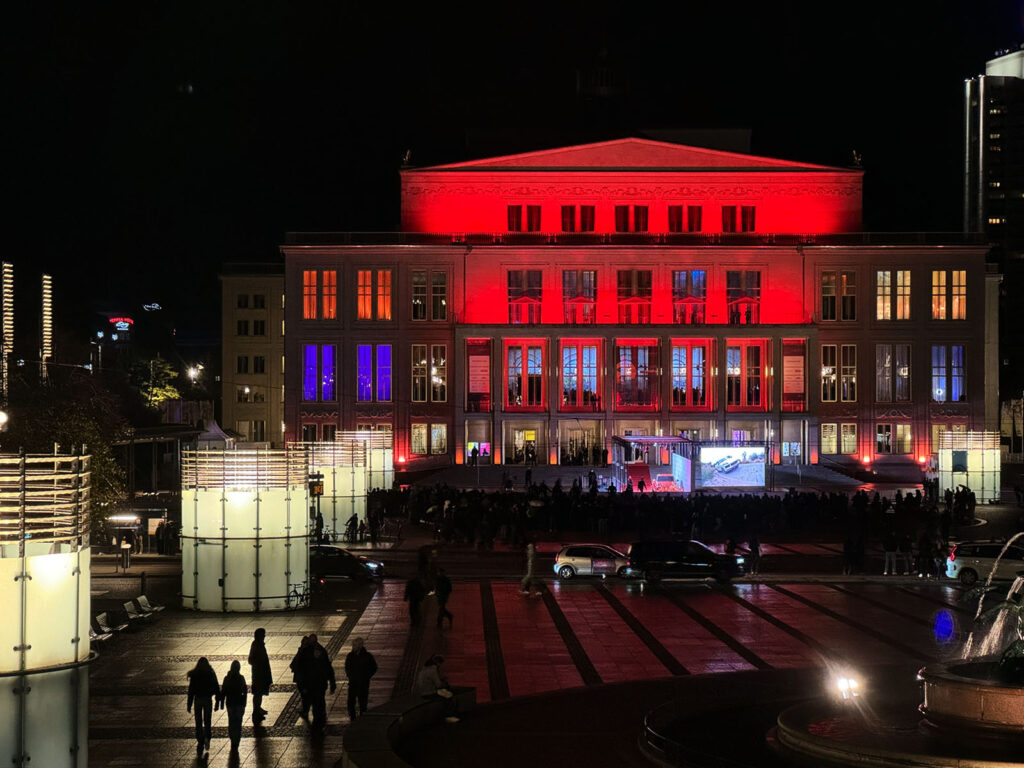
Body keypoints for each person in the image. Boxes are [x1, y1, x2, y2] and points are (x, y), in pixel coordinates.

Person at [186, 657, 220, 757]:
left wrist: (189, 704)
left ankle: (200, 739)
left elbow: (191, 690)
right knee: (207, 720)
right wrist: (218, 701)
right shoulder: (210, 672)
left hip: (198, 699)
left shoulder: (195, 674)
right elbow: (216, 687)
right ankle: (207, 737)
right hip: (207, 699)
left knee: (198, 721)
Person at [415, 654, 459, 723]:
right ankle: (449, 716)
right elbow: (438, 685)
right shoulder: (433, 669)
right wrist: (444, 682)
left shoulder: (425, 668)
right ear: (438, 663)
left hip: (423, 691)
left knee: (445, 693)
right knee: (448, 697)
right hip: (429, 693)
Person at [304, 637, 336, 731]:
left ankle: (319, 719)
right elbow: (305, 674)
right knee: (317, 703)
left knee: (319, 702)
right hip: (314, 686)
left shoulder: (321, 660)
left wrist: (332, 683)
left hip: (320, 685)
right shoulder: (311, 659)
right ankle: (318, 719)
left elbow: (329, 672)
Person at [344, 637, 377, 721]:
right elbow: (347, 667)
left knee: (363, 703)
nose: (353, 647)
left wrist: (366, 676)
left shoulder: (367, 656)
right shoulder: (350, 656)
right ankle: (353, 718)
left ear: (360, 646)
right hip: (353, 683)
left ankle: (362, 719)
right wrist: (350, 676)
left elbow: (374, 667)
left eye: (355, 645)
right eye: (353, 645)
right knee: (351, 702)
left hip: (363, 684)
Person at [218, 660, 248, 753]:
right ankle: (236, 741)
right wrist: (244, 703)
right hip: (239, 703)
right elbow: (245, 691)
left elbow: (223, 692)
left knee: (231, 722)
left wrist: (221, 703)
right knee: (238, 723)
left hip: (230, 703)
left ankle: (232, 739)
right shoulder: (241, 678)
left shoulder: (227, 678)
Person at [248, 627, 272, 724]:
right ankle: (256, 711)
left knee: (259, 693)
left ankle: (258, 709)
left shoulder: (258, 644)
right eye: (263, 634)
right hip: (259, 675)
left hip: (260, 674)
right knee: (258, 693)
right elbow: (251, 660)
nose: (265, 636)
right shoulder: (257, 645)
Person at [289, 635, 313, 719]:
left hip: (302, 678)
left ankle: (305, 710)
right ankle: (305, 710)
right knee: (304, 695)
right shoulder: (305, 651)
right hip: (302, 678)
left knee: (305, 695)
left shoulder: (303, 652)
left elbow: (295, 664)